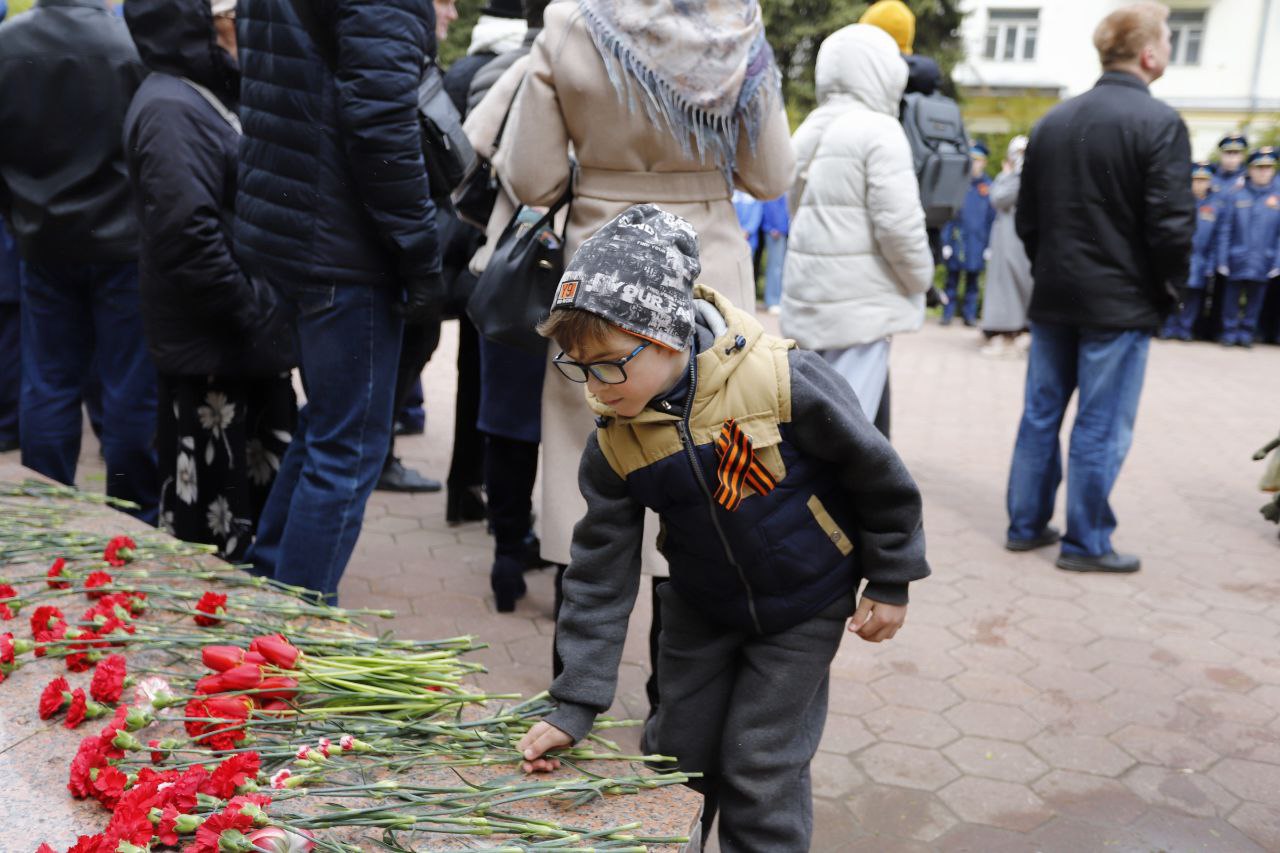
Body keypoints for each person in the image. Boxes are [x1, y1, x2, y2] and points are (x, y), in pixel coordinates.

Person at [516, 204, 930, 853]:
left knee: (760, 762)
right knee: (675, 754)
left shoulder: (780, 381)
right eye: (579, 366)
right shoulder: (616, 442)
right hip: (699, 606)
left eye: (609, 364)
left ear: (665, 336)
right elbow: (599, 572)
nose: (594, 385)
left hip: (806, 603)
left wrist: (892, 574)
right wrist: (576, 702)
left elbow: (877, 473)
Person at [493, 0, 795, 586]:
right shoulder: (739, 30)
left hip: (598, 261)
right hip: (705, 267)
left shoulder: (570, 22)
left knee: (591, 436)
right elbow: (770, 176)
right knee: (705, 440)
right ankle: (682, 636)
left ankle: (581, 632)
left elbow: (533, 178)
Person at [236, 0, 444, 601]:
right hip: (342, 245)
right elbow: (381, 125)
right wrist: (419, 253)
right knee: (346, 448)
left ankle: (270, 592)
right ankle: (293, 624)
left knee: (328, 426)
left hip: (295, 226)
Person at [1006, 2, 1194, 574]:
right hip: (1119, 302)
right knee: (1100, 422)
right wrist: (1169, 289)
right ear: (1149, 53)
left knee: (1041, 413)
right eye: (1167, 39)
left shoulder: (1054, 121)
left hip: (1055, 295)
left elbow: (1027, 220)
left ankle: (1025, 524)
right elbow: (1171, 225)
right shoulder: (1159, 122)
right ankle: (1086, 542)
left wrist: (1050, 269)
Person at [123, 0, 296, 559]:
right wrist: (252, 309)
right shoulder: (171, 106)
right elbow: (187, 235)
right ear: (196, 23)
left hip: (227, 340)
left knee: (238, 509)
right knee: (215, 533)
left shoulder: (191, 95)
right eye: (232, 14)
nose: (244, 26)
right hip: (216, 346)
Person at [0, 0, 158, 521]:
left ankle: (48, 508)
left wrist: (19, 216)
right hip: (121, 243)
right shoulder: (127, 44)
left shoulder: (8, 44)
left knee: (49, 380)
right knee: (128, 385)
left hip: (46, 240)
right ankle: (134, 511)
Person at [377, 0, 506, 500]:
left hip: (431, 235)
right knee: (411, 344)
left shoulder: (451, 67)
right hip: (431, 237)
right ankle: (379, 455)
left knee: (418, 342)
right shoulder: (410, 64)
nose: (450, 13)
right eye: (443, 2)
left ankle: (380, 452)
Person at [781, 24, 934, 428]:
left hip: (810, 296)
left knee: (814, 417)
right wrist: (920, 279)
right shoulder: (880, 130)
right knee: (850, 428)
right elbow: (898, 224)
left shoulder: (809, 128)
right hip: (862, 306)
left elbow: (795, 208)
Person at [462, 0, 554, 610]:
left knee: (509, 420)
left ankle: (507, 553)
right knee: (581, 423)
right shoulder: (610, 67)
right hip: (585, 263)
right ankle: (571, 567)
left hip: (514, 262)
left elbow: (470, 146)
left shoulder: (516, 68)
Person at [1214, 147, 1279, 348]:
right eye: (1259, 168)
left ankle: (1246, 333)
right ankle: (1229, 332)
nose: (1264, 172)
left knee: (1255, 300)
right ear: (1250, 169)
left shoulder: (1278, 198)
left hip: (1264, 258)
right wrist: (1222, 259)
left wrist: (1278, 261)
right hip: (1237, 257)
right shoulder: (1236, 195)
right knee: (1231, 299)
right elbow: (1225, 229)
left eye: (1268, 168)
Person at [979, 136, 1033, 357]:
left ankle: (1018, 330)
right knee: (1004, 285)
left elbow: (1002, 197)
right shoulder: (1011, 177)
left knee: (1018, 283)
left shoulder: (1024, 177)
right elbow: (996, 197)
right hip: (1005, 240)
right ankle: (1004, 330)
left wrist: (1013, 176)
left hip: (1018, 241)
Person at [1160, 162, 1218, 342]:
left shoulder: (1215, 206)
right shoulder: (1179, 202)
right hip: (1180, 258)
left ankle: (1185, 328)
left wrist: (1211, 265)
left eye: (1203, 180)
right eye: (1196, 180)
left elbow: (1216, 239)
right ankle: (1169, 327)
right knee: (1174, 294)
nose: (1199, 184)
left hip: (1200, 260)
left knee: (1193, 297)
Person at [940, 143, 995, 327]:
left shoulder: (988, 187)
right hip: (958, 241)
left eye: (977, 161)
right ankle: (947, 314)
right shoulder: (959, 185)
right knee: (951, 280)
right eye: (971, 160)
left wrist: (989, 246)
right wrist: (946, 242)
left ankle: (969, 315)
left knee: (973, 282)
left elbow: (991, 219)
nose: (974, 164)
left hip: (977, 243)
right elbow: (949, 215)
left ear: (984, 162)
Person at [760, 194, 789, 314]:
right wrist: (775, 227)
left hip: (784, 230)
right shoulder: (778, 189)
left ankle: (777, 300)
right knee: (775, 268)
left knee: (780, 267)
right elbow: (771, 206)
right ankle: (773, 301)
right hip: (777, 231)